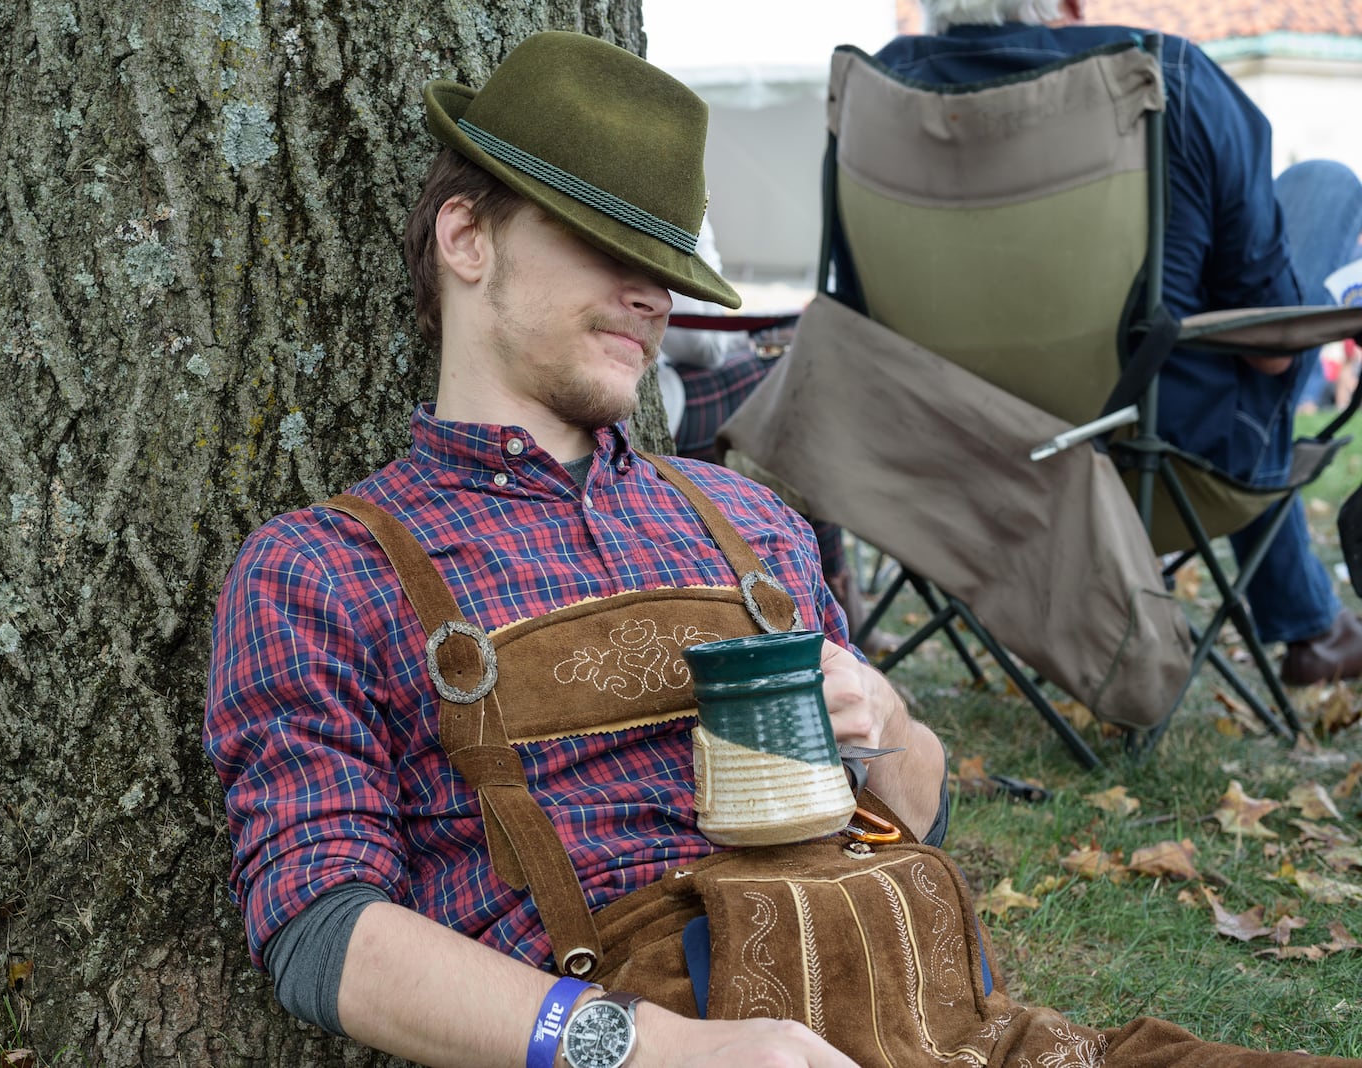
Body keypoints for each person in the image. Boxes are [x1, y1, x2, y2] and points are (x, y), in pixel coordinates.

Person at [205, 30, 1359, 1068]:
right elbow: (325, 936)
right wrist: (645, 1050)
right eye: (606, 244)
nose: (647, 293)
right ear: (467, 237)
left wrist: (891, 722)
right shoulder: (323, 569)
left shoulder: (744, 520)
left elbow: (915, 816)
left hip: (980, 1036)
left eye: (662, 263)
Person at [875, 0, 1362, 687]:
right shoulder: (1164, 76)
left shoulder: (880, 93)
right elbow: (1272, 354)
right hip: (1151, 465)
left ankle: (1309, 618)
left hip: (955, 469)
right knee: (1325, 188)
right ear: (1069, 5)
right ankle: (1309, 621)